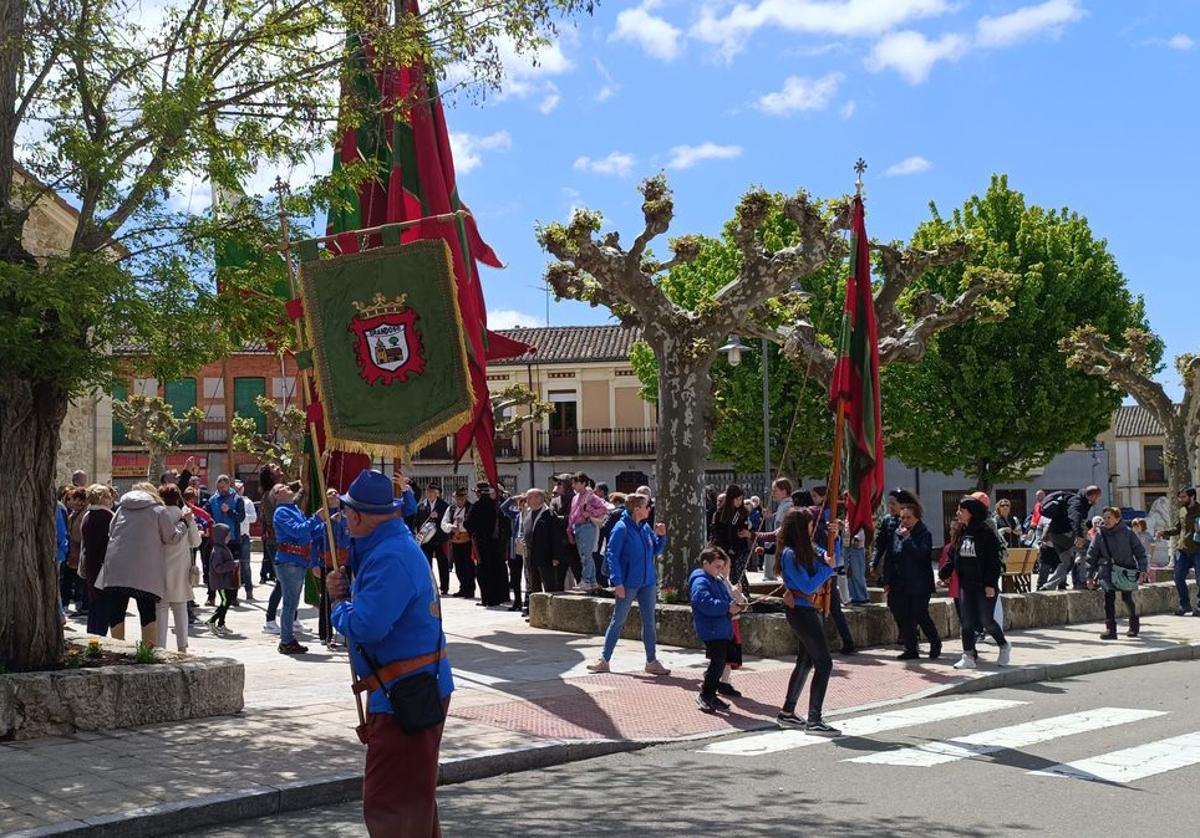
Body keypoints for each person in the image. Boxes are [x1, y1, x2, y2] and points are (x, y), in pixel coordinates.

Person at [326, 470, 453, 836]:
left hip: (405, 692)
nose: (344, 519)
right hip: (406, 686)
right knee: (412, 800)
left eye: (347, 512)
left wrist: (339, 606)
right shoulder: (390, 548)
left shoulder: (389, 556)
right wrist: (347, 592)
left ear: (358, 516)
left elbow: (367, 625)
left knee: (391, 805)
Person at [95, 482, 189, 645]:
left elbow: (111, 531)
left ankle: (118, 649)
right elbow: (171, 537)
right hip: (146, 572)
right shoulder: (159, 510)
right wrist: (184, 523)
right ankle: (147, 651)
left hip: (116, 569)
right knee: (147, 611)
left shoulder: (121, 509)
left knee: (117, 611)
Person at [587, 494, 669, 675]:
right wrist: (617, 582)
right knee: (618, 621)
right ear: (637, 509)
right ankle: (604, 659)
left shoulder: (645, 528)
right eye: (647, 506)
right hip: (628, 583)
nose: (649, 509)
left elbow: (655, 550)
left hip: (647, 582)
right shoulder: (621, 528)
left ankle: (651, 661)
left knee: (649, 621)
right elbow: (612, 555)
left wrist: (662, 537)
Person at [775, 507, 838, 734]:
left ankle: (788, 711)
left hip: (806, 609)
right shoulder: (790, 553)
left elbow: (826, 555)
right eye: (811, 526)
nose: (813, 529)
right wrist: (826, 569)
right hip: (802, 611)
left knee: (806, 660)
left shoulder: (805, 549)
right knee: (824, 662)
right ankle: (814, 719)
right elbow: (808, 585)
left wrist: (835, 538)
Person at [941, 497, 1011, 670]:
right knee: (967, 622)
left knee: (986, 620)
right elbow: (953, 555)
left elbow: (992, 562)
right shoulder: (960, 531)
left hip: (984, 585)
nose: (958, 513)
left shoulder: (985, 533)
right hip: (967, 584)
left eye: (961, 510)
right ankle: (968, 656)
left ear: (971, 513)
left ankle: (1003, 645)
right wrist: (945, 572)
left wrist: (989, 584)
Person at [689, 546, 745, 713]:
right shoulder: (701, 582)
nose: (720, 570)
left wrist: (736, 605)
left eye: (722, 567)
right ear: (706, 564)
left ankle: (711, 693)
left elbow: (727, 599)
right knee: (717, 663)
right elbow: (705, 604)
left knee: (721, 663)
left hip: (721, 628)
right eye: (717, 566)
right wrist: (727, 608)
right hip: (712, 629)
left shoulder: (716, 580)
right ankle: (706, 694)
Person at [272, 482, 323, 655]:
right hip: (289, 561)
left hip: (298, 560)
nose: (289, 489)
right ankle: (286, 640)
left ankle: (287, 639)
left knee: (292, 602)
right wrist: (316, 518)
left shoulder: (294, 510)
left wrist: (324, 523)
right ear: (277, 495)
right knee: (290, 603)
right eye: (284, 488)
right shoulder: (281, 512)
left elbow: (307, 532)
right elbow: (296, 531)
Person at [885, 503, 941, 660]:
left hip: (919, 583)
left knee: (920, 613)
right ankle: (911, 648)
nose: (905, 521)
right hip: (899, 582)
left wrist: (908, 539)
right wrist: (887, 580)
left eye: (909, 518)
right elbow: (891, 557)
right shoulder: (897, 532)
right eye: (902, 517)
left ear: (917, 518)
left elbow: (922, 554)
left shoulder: (924, 534)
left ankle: (935, 642)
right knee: (903, 615)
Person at [1087, 506, 1150, 639]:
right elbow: (1091, 555)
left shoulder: (1128, 533)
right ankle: (1111, 630)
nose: (1106, 520)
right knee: (1108, 598)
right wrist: (1089, 576)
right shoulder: (1099, 534)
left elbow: (1139, 552)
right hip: (1107, 570)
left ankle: (1134, 625)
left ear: (1117, 518)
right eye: (1104, 518)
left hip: (1125, 570)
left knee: (1126, 598)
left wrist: (1143, 569)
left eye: (1109, 517)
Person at [156, 484, 201, 653]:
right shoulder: (185, 515)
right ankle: (182, 646)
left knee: (161, 608)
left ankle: (160, 646)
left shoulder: (158, 515)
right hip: (181, 566)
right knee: (180, 607)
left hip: (160, 566)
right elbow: (196, 542)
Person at [1038, 485, 1101, 591]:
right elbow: (1074, 517)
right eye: (1098, 497)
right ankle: (1081, 582)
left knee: (1067, 562)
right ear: (1093, 496)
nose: (1098, 500)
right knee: (1088, 549)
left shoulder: (1081, 501)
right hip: (1064, 534)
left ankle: (1047, 587)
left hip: (1055, 534)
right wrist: (1079, 536)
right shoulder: (1077, 502)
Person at [1155, 487, 1200, 616]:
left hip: (1198, 550)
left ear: (1192, 497)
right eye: (1180, 497)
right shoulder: (1182, 511)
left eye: (1184, 497)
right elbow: (1177, 529)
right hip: (1183, 549)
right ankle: (1184, 605)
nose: (1181, 499)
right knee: (1178, 577)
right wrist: (1164, 532)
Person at [316, 488, 352, 647]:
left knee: (346, 596)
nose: (333, 495)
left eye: (336, 493)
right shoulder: (321, 516)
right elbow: (315, 538)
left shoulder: (346, 515)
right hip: (327, 562)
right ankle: (325, 634)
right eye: (330, 493)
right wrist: (314, 563)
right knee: (326, 599)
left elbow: (348, 539)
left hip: (345, 562)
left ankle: (346, 633)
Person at [466, 482, 508, 607]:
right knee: (495, 570)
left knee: (482, 571)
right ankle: (497, 597)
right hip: (496, 543)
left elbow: (468, 523)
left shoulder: (476, 506)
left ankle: (487, 599)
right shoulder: (496, 506)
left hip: (481, 543)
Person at [206, 475, 246, 603]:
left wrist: (229, 511)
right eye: (219, 487)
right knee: (213, 568)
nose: (222, 490)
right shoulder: (212, 500)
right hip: (217, 540)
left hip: (233, 539)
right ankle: (211, 596)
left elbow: (241, 518)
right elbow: (207, 516)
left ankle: (232, 597)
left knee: (232, 567)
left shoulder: (238, 500)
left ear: (229, 485)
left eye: (224, 487)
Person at [81, 485, 115, 636]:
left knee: (94, 604)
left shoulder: (87, 516)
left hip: (91, 565)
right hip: (105, 566)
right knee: (104, 606)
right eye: (108, 496)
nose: (111, 499)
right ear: (102, 498)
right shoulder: (108, 517)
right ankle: (99, 639)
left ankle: (92, 638)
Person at [568, 472, 609, 593]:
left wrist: (590, 513)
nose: (573, 485)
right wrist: (569, 529)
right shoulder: (575, 497)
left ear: (584, 483)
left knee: (587, 554)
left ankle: (587, 580)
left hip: (587, 526)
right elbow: (572, 514)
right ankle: (591, 581)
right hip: (578, 526)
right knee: (584, 555)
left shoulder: (591, 496)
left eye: (576, 482)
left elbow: (604, 507)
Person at [710, 484, 754, 596]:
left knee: (739, 573)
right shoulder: (720, 513)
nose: (739, 502)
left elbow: (745, 527)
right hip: (726, 548)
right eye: (737, 499)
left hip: (741, 548)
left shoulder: (742, 512)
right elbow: (718, 533)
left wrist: (745, 532)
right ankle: (735, 596)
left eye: (741, 499)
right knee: (731, 575)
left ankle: (745, 595)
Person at [522, 488, 560, 598]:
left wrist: (555, 557)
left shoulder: (550, 515)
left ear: (540, 498)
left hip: (546, 557)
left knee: (549, 586)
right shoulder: (528, 513)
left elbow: (556, 537)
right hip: (531, 556)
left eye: (530, 497)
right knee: (534, 587)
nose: (527, 500)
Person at [415, 483, 450, 596]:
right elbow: (417, 522)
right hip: (426, 540)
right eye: (428, 492)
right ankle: (428, 586)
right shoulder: (421, 506)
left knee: (443, 564)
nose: (430, 494)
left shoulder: (444, 505)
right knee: (426, 564)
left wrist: (438, 517)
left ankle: (444, 588)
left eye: (432, 492)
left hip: (440, 539)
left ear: (437, 493)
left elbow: (447, 521)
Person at [441, 487, 474, 598]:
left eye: (462, 498)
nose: (460, 501)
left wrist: (462, 528)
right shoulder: (451, 509)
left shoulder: (470, 508)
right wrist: (451, 527)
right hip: (455, 540)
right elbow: (444, 523)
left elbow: (472, 524)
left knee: (468, 566)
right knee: (458, 566)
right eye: (457, 498)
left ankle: (470, 589)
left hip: (467, 540)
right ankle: (462, 587)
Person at [206, 524, 238, 637]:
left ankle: (221, 624)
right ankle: (211, 620)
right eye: (227, 535)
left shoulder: (223, 548)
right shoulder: (217, 551)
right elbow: (218, 567)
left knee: (226, 602)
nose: (229, 537)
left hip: (225, 581)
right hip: (221, 582)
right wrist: (232, 565)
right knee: (225, 602)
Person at [62, 486, 89, 615]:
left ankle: (81, 605)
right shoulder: (74, 514)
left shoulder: (83, 514)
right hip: (72, 552)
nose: (70, 501)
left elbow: (78, 534)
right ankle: (68, 603)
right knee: (68, 579)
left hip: (78, 552)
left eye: (72, 499)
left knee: (79, 580)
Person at [499, 490, 526, 612]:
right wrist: (514, 498)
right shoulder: (516, 515)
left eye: (525, 503)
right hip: (515, 548)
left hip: (526, 548)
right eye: (521, 503)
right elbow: (503, 507)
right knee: (515, 576)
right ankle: (517, 601)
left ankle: (528, 601)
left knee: (528, 576)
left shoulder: (531, 514)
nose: (522, 506)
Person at [258, 464, 284, 584]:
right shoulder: (273, 493)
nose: (277, 467)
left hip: (277, 540)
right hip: (277, 540)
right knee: (283, 580)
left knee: (282, 582)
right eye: (273, 467)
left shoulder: (278, 490)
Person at [234, 479, 257, 603]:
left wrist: (242, 516)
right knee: (234, 566)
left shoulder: (248, 502)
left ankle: (249, 590)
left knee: (246, 565)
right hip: (233, 536)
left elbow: (254, 518)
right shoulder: (231, 501)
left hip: (244, 536)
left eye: (240, 488)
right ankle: (234, 593)